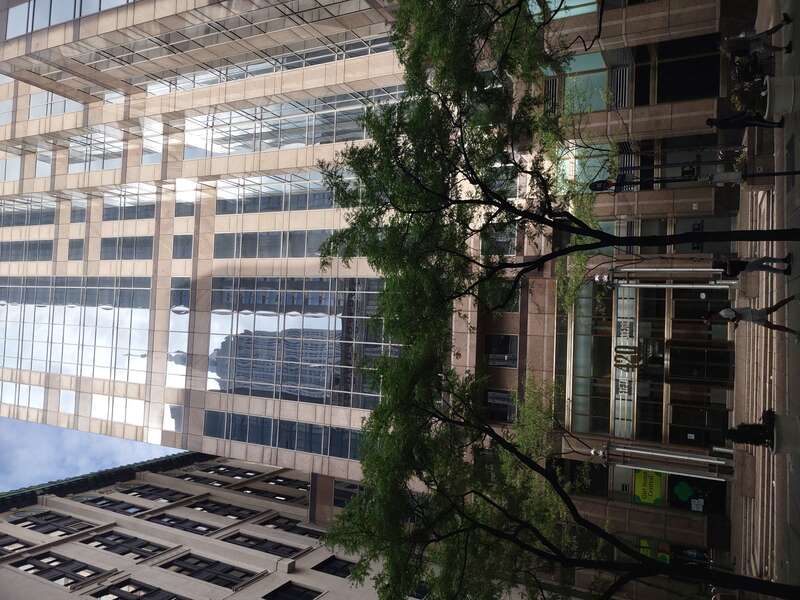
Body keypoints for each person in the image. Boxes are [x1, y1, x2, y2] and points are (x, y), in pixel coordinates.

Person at [710, 294, 800, 339]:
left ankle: (793, 297)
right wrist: (736, 323)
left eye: (712, 319)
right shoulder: (723, 316)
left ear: (713, 315)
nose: (714, 320)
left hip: (753, 314)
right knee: (773, 326)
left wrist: (736, 323)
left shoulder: (723, 313)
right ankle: (795, 333)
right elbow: (736, 316)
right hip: (752, 318)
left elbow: (738, 315)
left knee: (774, 308)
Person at [712, 253, 792, 277]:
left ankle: (784, 272)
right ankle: (784, 260)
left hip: (746, 265)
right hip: (747, 267)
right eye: (717, 262)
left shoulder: (725, 263)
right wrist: (728, 263)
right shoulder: (724, 271)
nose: (719, 261)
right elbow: (730, 273)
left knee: (767, 268)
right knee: (765, 259)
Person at [707, 111, 784, 130]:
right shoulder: (719, 123)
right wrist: (744, 116)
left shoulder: (719, 122)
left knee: (759, 120)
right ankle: (777, 125)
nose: (714, 118)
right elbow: (733, 121)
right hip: (742, 122)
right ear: (712, 121)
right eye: (712, 119)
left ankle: (777, 124)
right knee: (759, 123)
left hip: (742, 121)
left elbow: (732, 117)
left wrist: (743, 113)